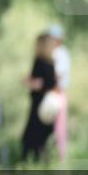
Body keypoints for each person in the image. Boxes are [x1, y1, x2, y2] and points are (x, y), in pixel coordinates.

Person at [20, 34, 57, 162]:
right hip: (49, 102)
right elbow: (52, 83)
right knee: (43, 136)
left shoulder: (39, 61)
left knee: (31, 135)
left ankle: (27, 163)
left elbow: (39, 84)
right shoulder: (51, 63)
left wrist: (26, 81)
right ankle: (43, 162)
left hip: (39, 102)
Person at [48, 23, 71, 161]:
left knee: (59, 129)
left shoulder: (61, 53)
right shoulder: (51, 53)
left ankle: (61, 159)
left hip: (58, 93)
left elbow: (59, 75)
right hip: (51, 93)